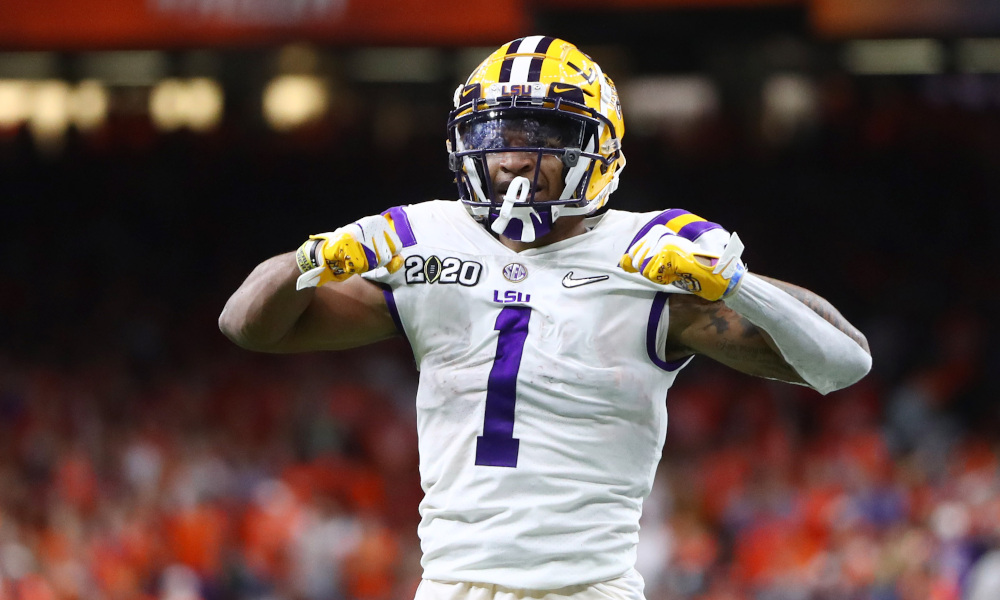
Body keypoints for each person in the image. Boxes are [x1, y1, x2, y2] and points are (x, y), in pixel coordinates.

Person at [219, 36, 871, 600]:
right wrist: (313, 257)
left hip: (587, 586)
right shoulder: (427, 238)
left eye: (541, 134)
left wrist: (737, 283)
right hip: (451, 583)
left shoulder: (651, 254)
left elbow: (843, 363)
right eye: (493, 132)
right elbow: (248, 325)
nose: (510, 155)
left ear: (598, 145)